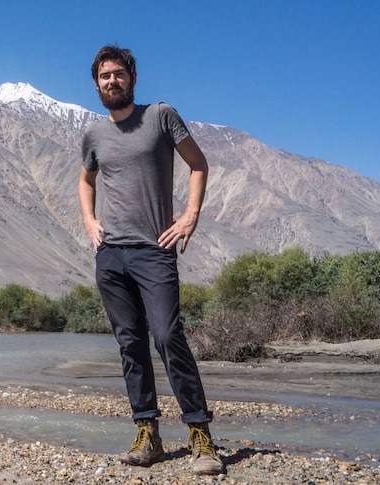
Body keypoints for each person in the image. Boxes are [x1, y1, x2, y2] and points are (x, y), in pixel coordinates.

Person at [78, 45, 224, 476]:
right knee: (130, 345)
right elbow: (85, 181)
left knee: (166, 335)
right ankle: (148, 434)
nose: (112, 81)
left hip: (153, 251)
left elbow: (199, 165)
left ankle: (200, 436)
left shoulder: (161, 116)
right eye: (104, 76)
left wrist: (189, 215)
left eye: (118, 74)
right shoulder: (93, 136)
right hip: (111, 256)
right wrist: (90, 221)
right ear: (97, 83)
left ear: (132, 77)